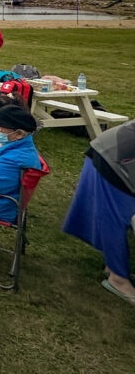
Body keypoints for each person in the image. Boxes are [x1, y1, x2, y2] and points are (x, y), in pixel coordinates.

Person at [63, 119, 135, 304]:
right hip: (115, 158)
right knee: (115, 217)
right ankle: (117, 278)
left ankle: (115, 267)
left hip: (115, 151)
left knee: (118, 216)